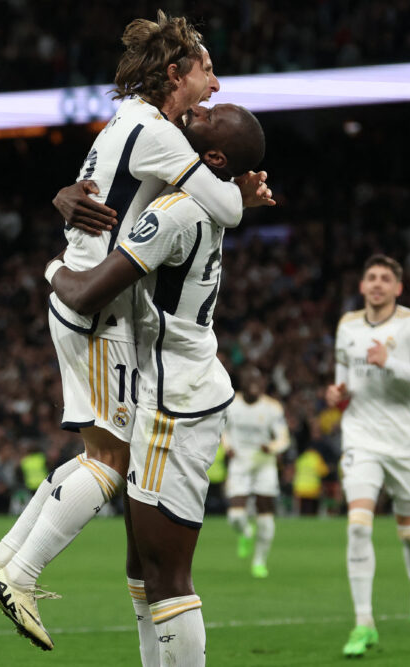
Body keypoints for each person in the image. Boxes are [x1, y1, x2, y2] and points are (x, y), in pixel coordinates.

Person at [0, 11, 273, 652]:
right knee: (108, 463)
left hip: (101, 313)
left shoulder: (129, 126)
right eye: (207, 71)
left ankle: (5, 558)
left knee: (111, 476)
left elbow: (106, 189)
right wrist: (238, 191)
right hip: (97, 312)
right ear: (175, 74)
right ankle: (16, 571)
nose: (214, 86)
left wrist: (63, 207)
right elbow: (222, 209)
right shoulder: (162, 139)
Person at [46, 102, 266, 666]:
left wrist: (51, 267)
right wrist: (68, 198)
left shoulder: (174, 213)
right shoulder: (200, 201)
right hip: (168, 387)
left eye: (208, 117)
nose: (197, 110)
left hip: (178, 400)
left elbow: (84, 293)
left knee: (168, 574)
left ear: (211, 156)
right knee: (142, 569)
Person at [325, 254, 410, 657]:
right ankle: (364, 623)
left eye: (385, 279)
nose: (377, 284)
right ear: (362, 286)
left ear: (398, 288)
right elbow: (343, 382)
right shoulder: (347, 326)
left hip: (404, 442)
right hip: (361, 438)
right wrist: (336, 395)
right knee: (358, 525)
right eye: (371, 277)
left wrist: (391, 362)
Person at [222, 366, 290, 578]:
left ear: (263, 385)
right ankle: (245, 531)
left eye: (258, 383)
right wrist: (228, 447)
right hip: (240, 462)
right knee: (235, 515)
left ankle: (260, 561)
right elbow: (223, 429)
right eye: (250, 383)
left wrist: (271, 448)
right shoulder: (231, 405)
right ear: (242, 384)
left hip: (264, 463)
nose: (255, 387)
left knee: (265, 514)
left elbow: (284, 438)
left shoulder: (272, 408)